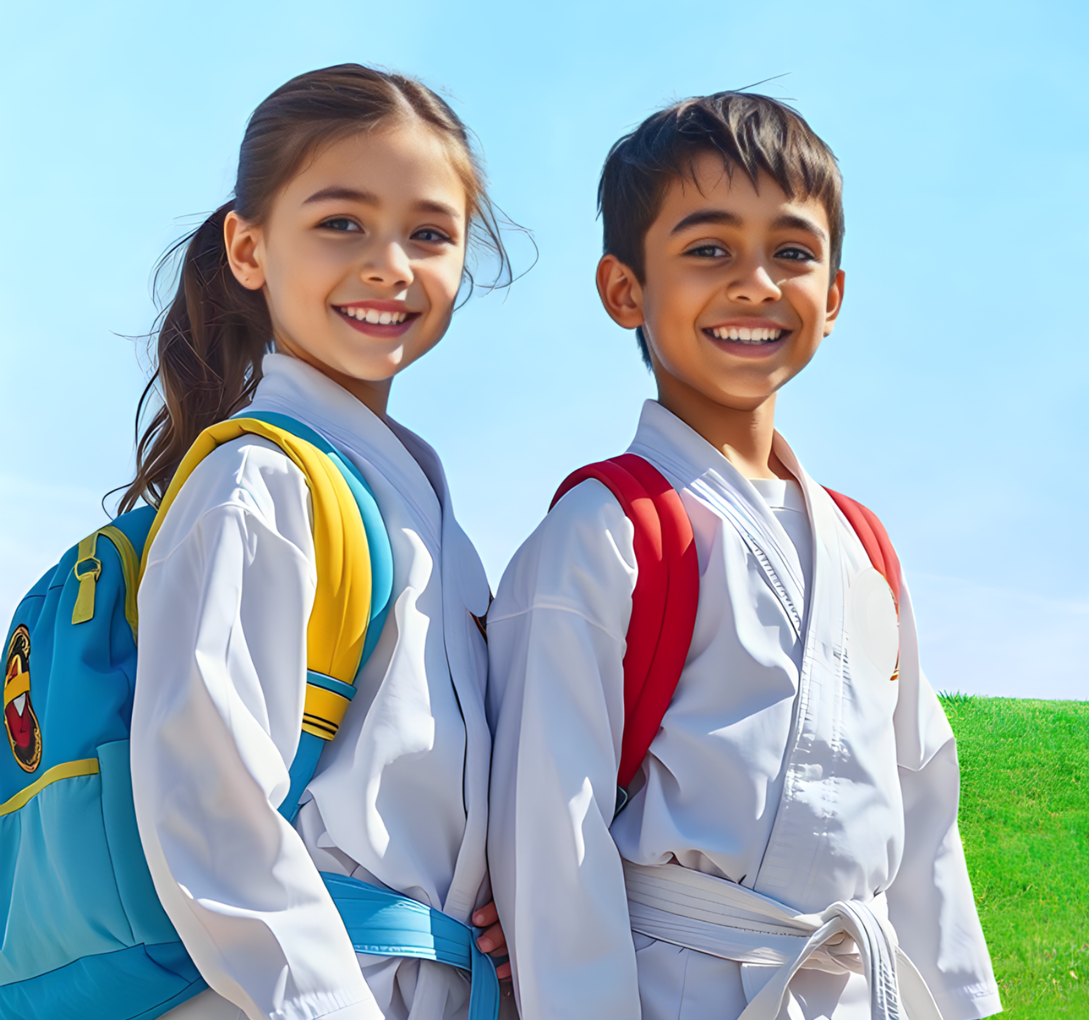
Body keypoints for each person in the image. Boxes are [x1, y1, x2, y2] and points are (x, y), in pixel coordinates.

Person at [486, 93, 1002, 1020]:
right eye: (709, 249)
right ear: (624, 290)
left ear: (833, 296)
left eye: (793, 253)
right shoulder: (605, 532)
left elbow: (925, 824)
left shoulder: (862, 547)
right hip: (678, 984)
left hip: (856, 988)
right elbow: (550, 848)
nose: (757, 283)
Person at [126, 65, 511, 1020]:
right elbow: (211, 821)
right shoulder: (255, 486)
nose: (389, 264)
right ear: (249, 249)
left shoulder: (427, 516)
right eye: (341, 222)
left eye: (429, 233)